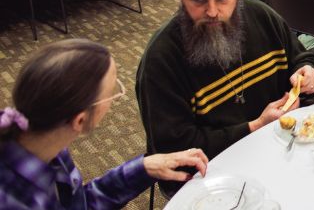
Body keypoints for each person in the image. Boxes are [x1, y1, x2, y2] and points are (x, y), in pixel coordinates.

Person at [137, 0, 314, 167]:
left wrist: (306, 71)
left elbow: (299, 57)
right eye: (198, 0)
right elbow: (173, 150)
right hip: (209, 171)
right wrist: (254, 127)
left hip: (279, 147)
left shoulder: (262, 16)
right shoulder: (161, 60)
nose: (213, 12)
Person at [0, 39, 209, 209]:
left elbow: (79, 205)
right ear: (79, 120)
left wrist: (144, 168)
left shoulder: (44, 141)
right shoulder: (14, 200)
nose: (114, 98)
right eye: (112, 93)